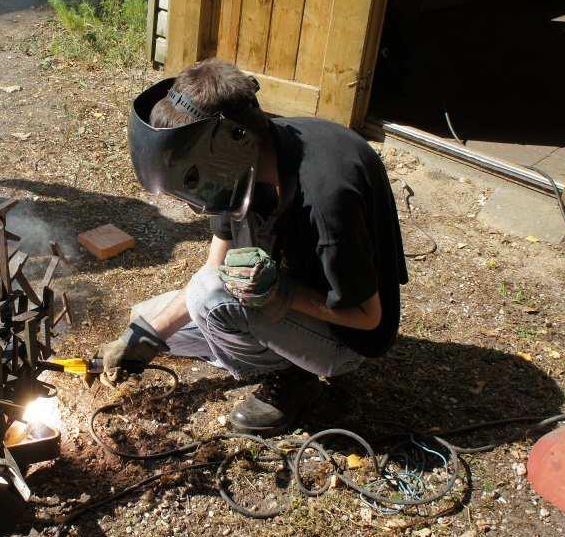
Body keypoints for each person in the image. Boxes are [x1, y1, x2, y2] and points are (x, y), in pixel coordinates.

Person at [96, 58, 408, 437]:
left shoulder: (326, 199)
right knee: (148, 318)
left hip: (345, 338)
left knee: (212, 301)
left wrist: (284, 295)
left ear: (230, 140)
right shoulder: (243, 166)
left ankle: (293, 378)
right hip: (282, 297)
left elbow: (368, 317)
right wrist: (145, 335)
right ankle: (251, 341)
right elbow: (216, 266)